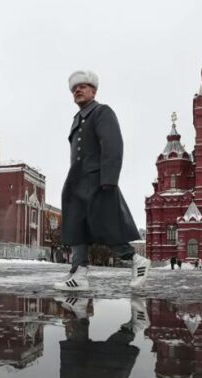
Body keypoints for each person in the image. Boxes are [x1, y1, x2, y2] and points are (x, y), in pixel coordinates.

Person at [54, 71, 149, 291]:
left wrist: (109, 179)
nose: (77, 90)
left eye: (83, 86)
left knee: (105, 225)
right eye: (74, 88)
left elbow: (113, 145)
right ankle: (79, 273)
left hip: (96, 179)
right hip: (77, 181)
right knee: (76, 225)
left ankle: (137, 261)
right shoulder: (78, 119)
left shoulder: (101, 112)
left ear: (93, 91)